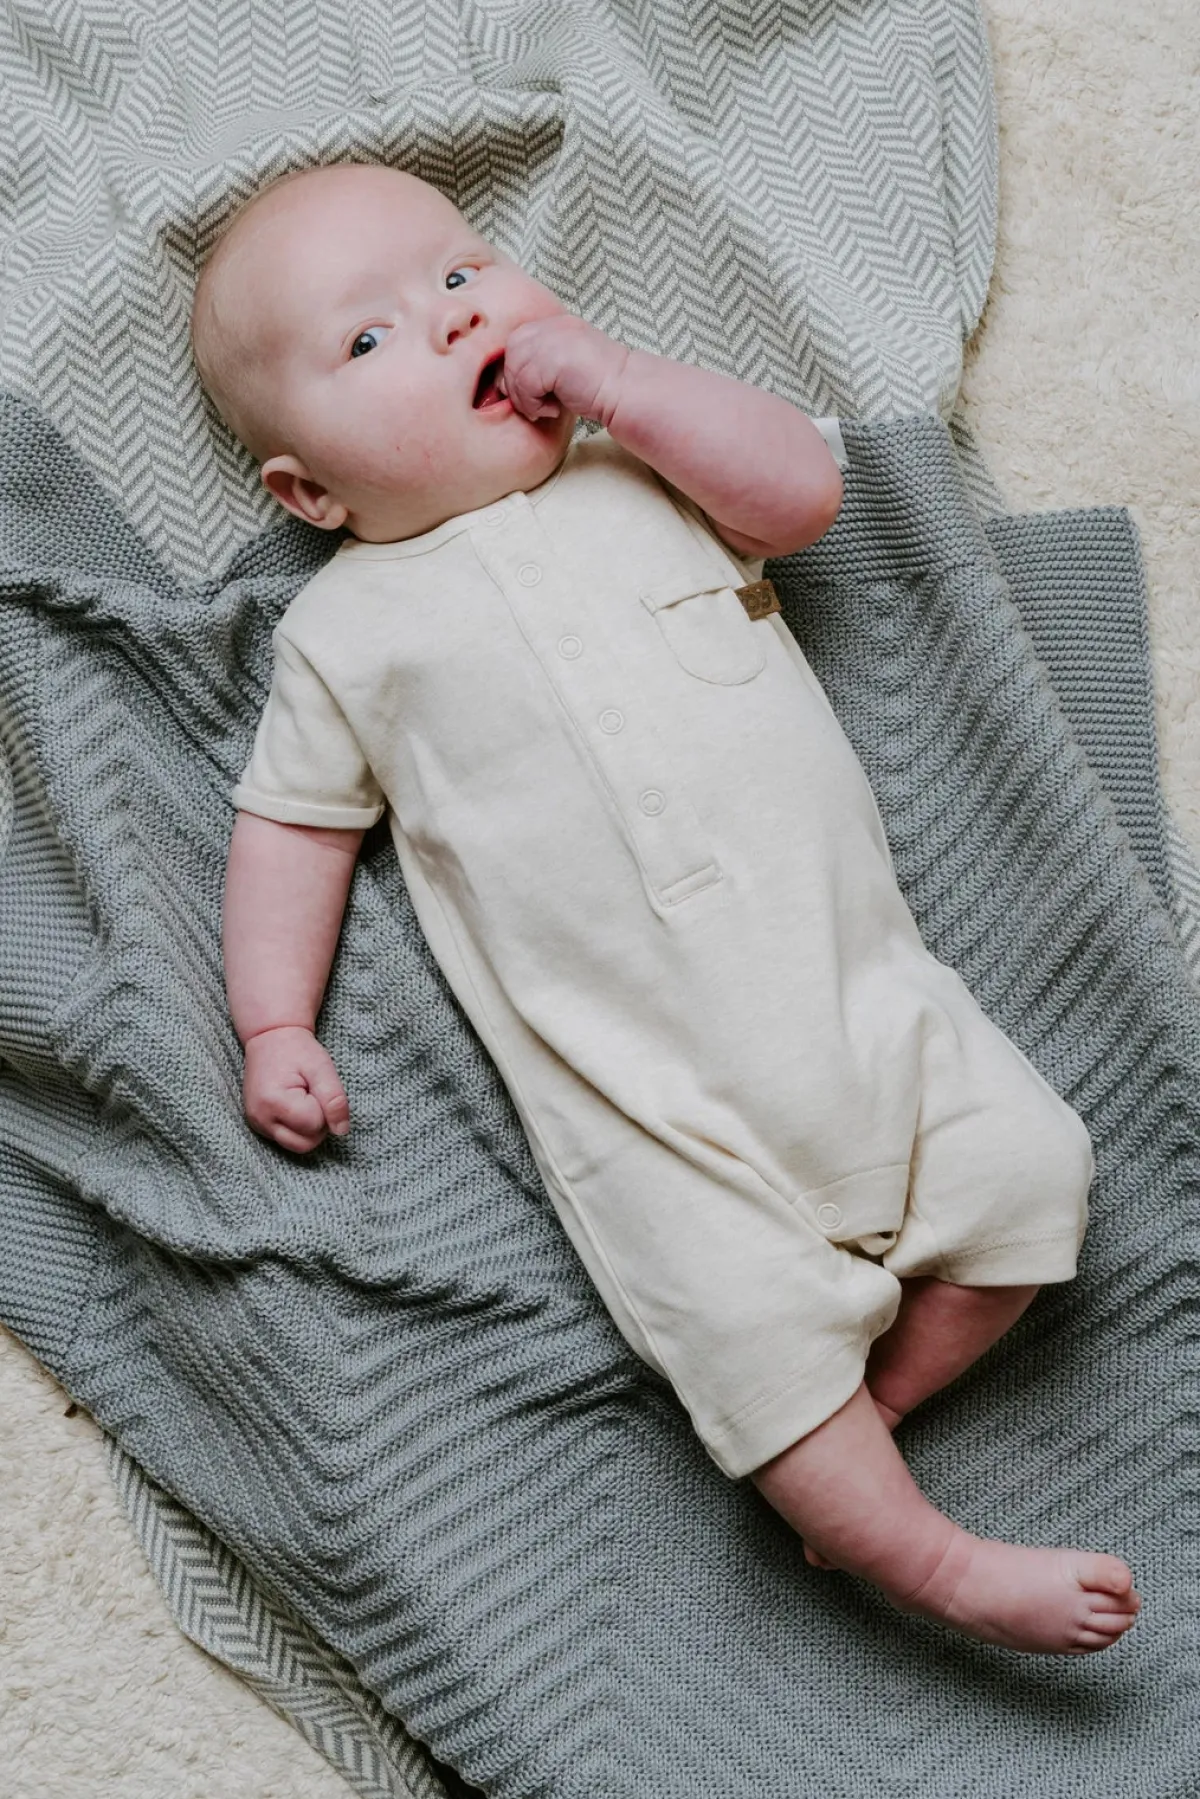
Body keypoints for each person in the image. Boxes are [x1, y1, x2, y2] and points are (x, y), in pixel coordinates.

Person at [192, 160, 1141, 1656]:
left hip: (865, 1002)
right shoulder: (345, 633)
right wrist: (272, 1022)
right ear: (312, 493)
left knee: (1034, 1174)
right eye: (368, 339)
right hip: (647, 1104)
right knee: (746, 1350)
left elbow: (805, 492)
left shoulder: (641, 471)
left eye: (460, 274)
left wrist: (623, 388)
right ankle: (936, 1562)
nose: (449, 323)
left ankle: (890, 1402)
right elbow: (290, 829)